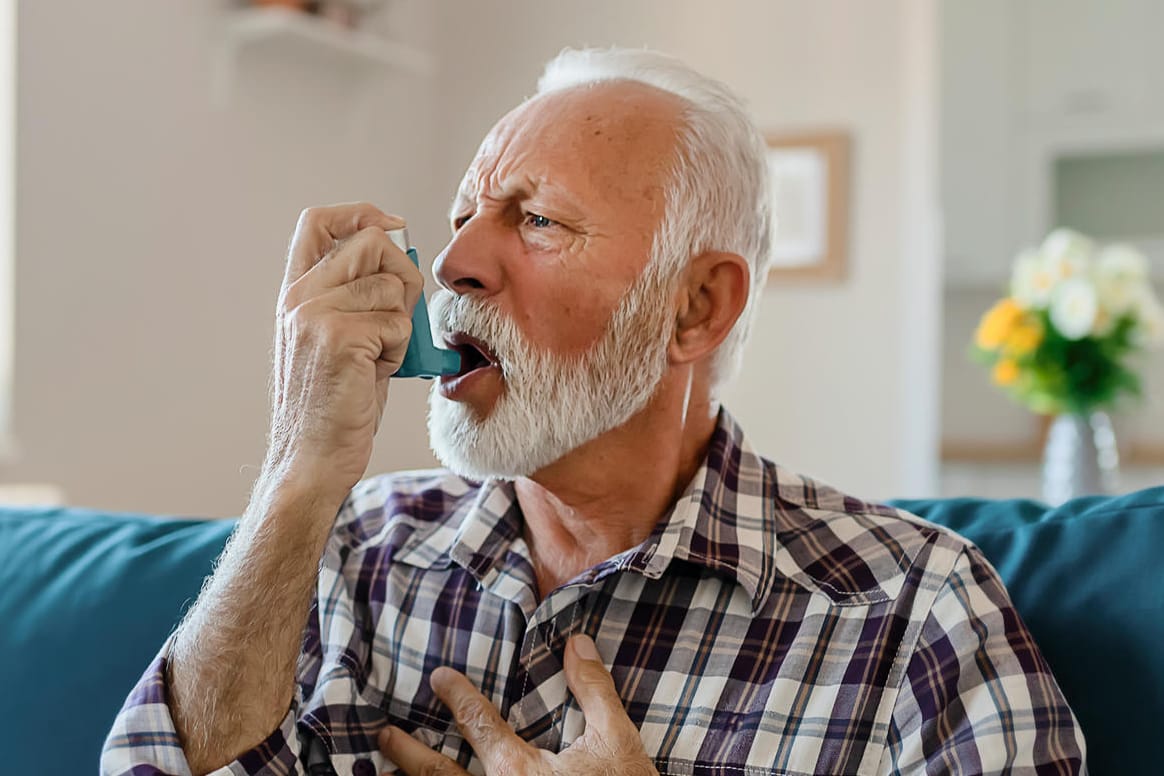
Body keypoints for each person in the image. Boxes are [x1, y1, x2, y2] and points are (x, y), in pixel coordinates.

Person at [102, 48, 1085, 776]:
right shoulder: (347, 552)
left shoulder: (917, 613)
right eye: (462, 218)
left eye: (536, 219)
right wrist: (293, 475)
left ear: (696, 306)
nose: (451, 267)